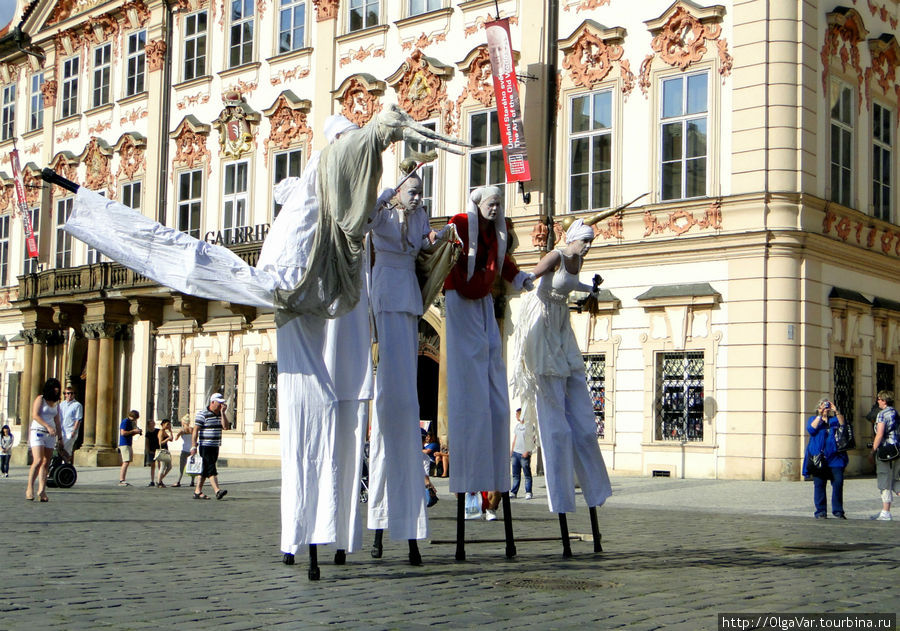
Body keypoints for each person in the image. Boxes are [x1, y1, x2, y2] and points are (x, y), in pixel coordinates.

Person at [61, 105, 467, 579]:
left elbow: (366, 209)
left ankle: (335, 534)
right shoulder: (321, 175)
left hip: (341, 302)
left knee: (347, 410)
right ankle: (309, 534)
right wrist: (378, 134)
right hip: (300, 297)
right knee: (311, 411)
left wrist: (389, 168)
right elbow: (339, 172)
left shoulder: (343, 202)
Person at [509, 216, 612, 556]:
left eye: (590, 243)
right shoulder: (556, 254)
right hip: (542, 327)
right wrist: (520, 280)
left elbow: (571, 286)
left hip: (561, 328)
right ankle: (562, 500)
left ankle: (593, 490)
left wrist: (591, 290)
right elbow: (534, 276)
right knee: (556, 426)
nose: (588, 247)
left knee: (580, 428)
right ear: (574, 238)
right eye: (585, 241)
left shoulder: (578, 260)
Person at [442, 186, 533, 559]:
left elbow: (505, 262)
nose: (495, 208)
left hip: (481, 297)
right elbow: (447, 248)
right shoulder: (462, 222)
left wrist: (522, 279)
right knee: (467, 359)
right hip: (459, 294)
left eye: (499, 203)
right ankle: (470, 490)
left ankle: (489, 490)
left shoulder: (498, 230)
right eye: (490, 203)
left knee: (491, 356)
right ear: (476, 204)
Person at [366, 170, 442, 564]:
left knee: (406, 382)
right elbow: (363, 219)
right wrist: (384, 196)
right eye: (412, 192)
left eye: (420, 193)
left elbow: (428, 244)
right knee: (390, 381)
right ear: (398, 192)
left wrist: (443, 239)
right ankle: (379, 529)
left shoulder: (418, 215)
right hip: (386, 284)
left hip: (408, 290)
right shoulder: (385, 212)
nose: (417, 198)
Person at [801, 398, 848, 519]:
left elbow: (843, 425)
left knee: (838, 483)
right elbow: (811, 429)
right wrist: (820, 415)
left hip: (835, 457)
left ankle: (838, 511)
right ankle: (820, 511)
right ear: (819, 408)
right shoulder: (814, 419)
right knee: (819, 484)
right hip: (819, 458)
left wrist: (836, 411)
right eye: (823, 406)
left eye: (827, 407)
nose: (826, 408)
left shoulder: (834, 420)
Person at [26, 378, 62, 502]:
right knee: (38, 460)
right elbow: (35, 415)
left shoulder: (56, 403)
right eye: (54, 387)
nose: (56, 389)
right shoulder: (40, 399)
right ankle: (29, 488)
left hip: (50, 435)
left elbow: (57, 421)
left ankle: (42, 490)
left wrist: (60, 437)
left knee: (46, 462)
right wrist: (47, 426)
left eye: (58, 387)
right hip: (38, 431)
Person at [191, 393, 230, 500]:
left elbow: (225, 427)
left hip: (215, 445)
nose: (221, 405)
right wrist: (193, 446)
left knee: (205, 469)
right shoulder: (202, 414)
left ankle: (197, 491)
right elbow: (195, 430)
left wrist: (223, 413)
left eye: (222, 403)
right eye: (219, 403)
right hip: (205, 445)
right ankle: (217, 490)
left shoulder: (220, 414)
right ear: (212, 402)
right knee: (211, 467)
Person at [870, 390, 900, 521]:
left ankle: (886, 511)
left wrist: (872, 451)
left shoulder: (882, 414)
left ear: (884, 400)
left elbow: (880, 433)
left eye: (879, 399)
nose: (878, 401)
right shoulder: (895, 412)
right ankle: (884, 511)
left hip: (885, 450)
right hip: (897, 449)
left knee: (884, 479)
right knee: (896, 479)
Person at [510, 408, 535, 500]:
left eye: (517, 414)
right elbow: (515, 439)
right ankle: (514, 492)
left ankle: (528, 492)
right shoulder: (517, 426)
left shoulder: (529, 426)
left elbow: (533, 439)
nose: (516, 416)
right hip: (516, 453)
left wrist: (527, 451)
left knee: (526, 474)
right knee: (515, 474)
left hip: (524, 453)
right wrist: (512, 450)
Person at [58, 386, 83, 463]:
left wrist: (74, 431)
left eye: (72, 393)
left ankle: (67, 463)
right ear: (64, 394)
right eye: (67, 393)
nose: (69, 395)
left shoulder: (77, 405)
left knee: (65, 448)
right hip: (62, 430)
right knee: (59, 448)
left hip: (70, 430)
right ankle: (65, 463)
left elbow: (78, 419)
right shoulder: (61, 405)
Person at [118, 410, 142, 486]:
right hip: (124, 443)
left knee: (127, 461)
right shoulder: (125, 421)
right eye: (136, 418)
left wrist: (136, 432)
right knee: (125, 461)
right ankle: (122, 480)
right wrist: (133, 431)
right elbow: (123, 433)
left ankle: (123, 479)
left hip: (128, 443)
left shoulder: (130, 422)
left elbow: (129, 434)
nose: (136, 420)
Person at [173, 415, 193, 487]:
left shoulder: (182, 430)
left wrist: (178, 434)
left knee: (182, 466)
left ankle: (178, 481)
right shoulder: (192, 429)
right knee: (192, 465)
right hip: (191, 449)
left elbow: (176, 438)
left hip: (184, 449)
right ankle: (192, 481)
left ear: (183, 422)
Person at [155, 419, 174, 487]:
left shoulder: (165, 432)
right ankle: (159, 482)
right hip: (162, 450)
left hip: (166, 450)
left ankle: (159, 480)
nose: (168, 425)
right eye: (167, 424)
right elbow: (160, 443)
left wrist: (171, 431)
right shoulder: (161, 431)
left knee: (169, 467)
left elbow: (171, 439)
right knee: (162, 467)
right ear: (163, 424)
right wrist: (167, 439)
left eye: (169, 424)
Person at [144, 419, 159, 487]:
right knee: (152, 466)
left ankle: (159, 479)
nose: (152, 424)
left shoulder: (158, 431)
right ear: (148, 425)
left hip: (158, 450)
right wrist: (148, 450)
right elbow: (147, 442)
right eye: (151, 423)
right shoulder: (148, 433)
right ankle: (152, 480)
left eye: (153, 423)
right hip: (151, 451)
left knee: (159, 465)